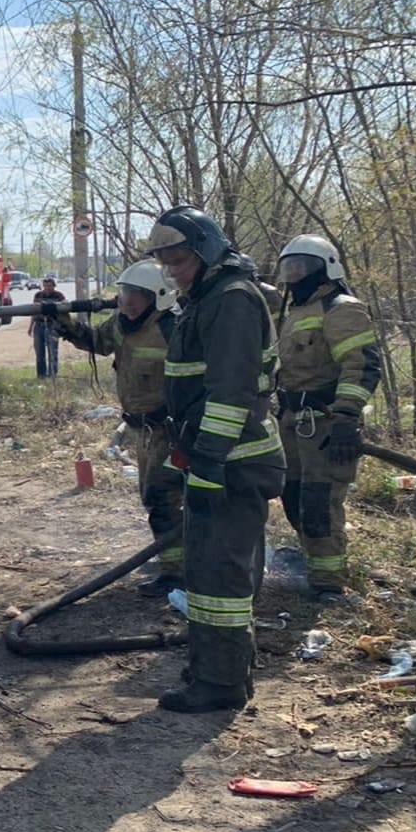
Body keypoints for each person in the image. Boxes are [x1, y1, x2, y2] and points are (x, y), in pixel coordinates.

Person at [145, 206, 284, 713]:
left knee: (221, 577)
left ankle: (221, 685)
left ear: (205, 250)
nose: (172, 271)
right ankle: (216, 673)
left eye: (178, 259)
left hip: (232, 462)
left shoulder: (232, 300)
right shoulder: (206, 298)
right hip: (215, 459)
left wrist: (207, 462)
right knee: (207, 574)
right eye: (165, 263)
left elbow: (231, 393)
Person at [47, 261, 185, 595]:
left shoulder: (175, 329)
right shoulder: (122, 326)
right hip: (144, 430)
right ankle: (175, 562)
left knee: (163, 496)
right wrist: (63, 322)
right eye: (125, 292)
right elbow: (98, 341)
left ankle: (177, 574)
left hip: (173, 430)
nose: (128, 300)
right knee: (153, 499)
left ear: (160, 296)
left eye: (138, 294)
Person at [274, 234, 380, 600]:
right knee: (291, 494)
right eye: (290, 267)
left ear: (325, 269)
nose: (294, 274)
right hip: (292, 419)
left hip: (324, 423)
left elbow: (362, 366)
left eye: (301, 267)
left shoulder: (342, 309)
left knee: (320, 501)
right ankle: (312, 561)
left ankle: (328, 583)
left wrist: (346, 419)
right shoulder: (295, 313)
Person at [29, 276, 65, 377]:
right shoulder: (38, 295)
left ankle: (53, 374)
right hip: (39, 325)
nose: (47, 288)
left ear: (54, 286)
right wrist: (31, 327)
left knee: (52, 352)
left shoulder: (58, 296)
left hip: (52, 326)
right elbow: (34, 312)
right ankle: (41, 375)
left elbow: (64, 311)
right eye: (45, 286)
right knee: (39, 353)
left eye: (49, 286)